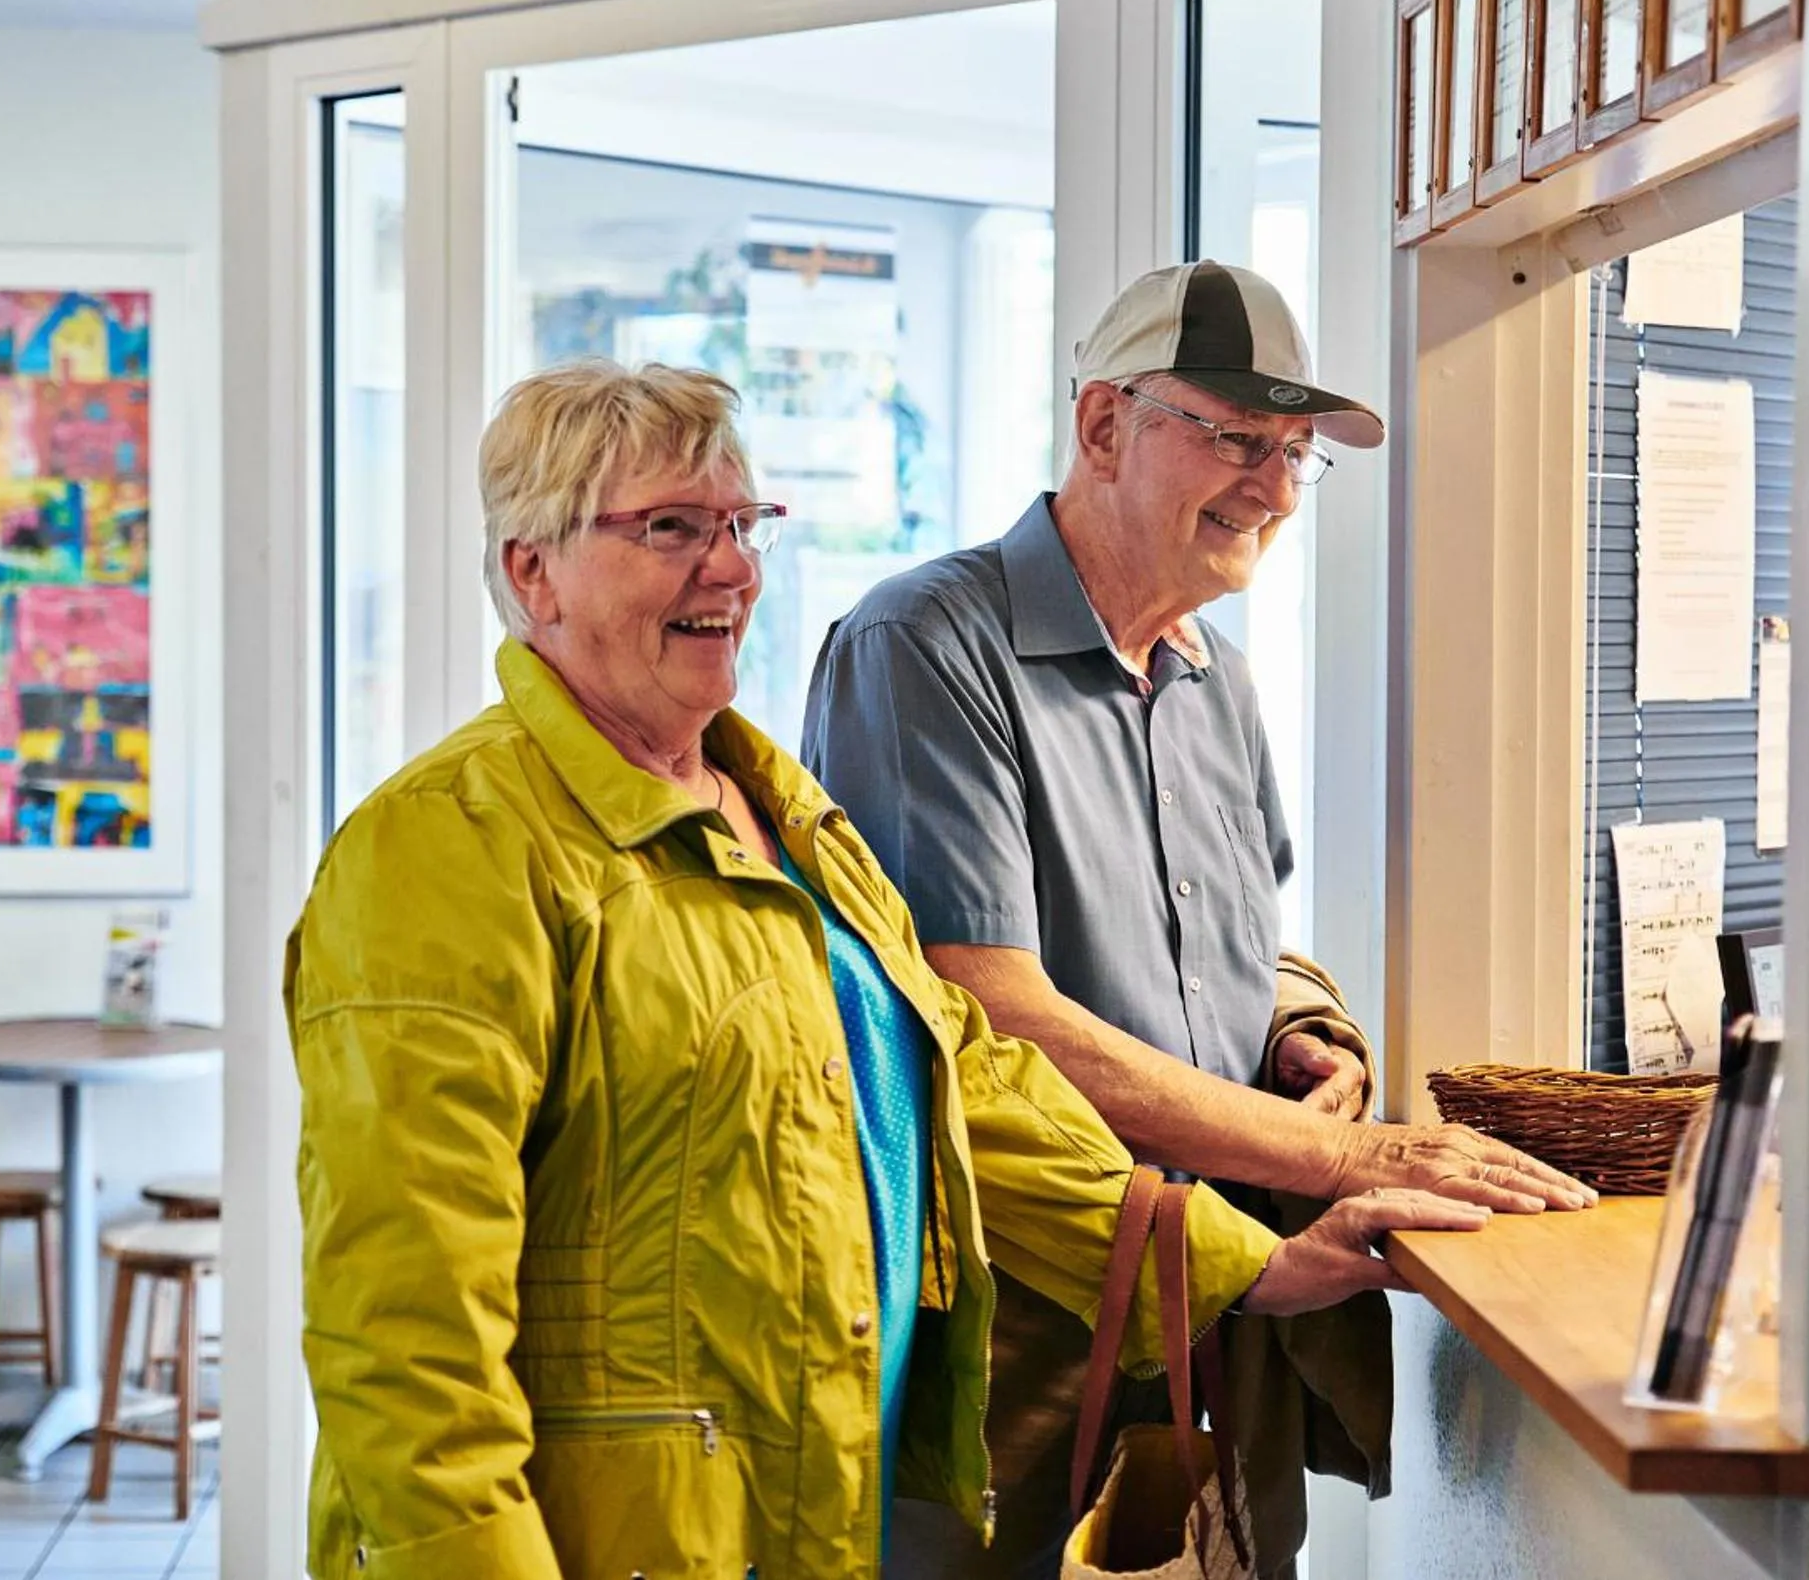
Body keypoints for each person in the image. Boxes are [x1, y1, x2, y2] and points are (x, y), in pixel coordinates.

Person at [285, 359, 1486, 1580]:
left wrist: (1252, 1269)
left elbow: (969, 1088)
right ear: (529, 569)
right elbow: (404, 1327)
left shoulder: (778, 815)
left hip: (820, 1508)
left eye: (743, 525)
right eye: (668, 528)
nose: (732, 568)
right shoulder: (450, 843)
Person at [801, 260, 1596, 1576]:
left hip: (1218, 1314)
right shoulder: (923, 644)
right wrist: (1348, 1156)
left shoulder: (1213, 673)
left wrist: (1295, 1027)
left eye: (1294, 454)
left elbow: (1233, 933)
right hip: (1020, 1340)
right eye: (1234, 438)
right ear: (1103, 427)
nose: (1276, 490)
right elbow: (991, 1019)